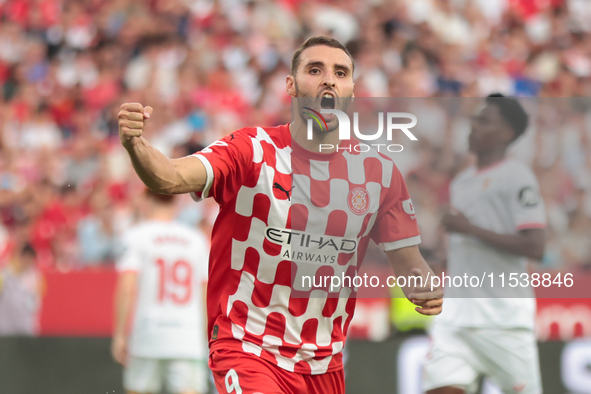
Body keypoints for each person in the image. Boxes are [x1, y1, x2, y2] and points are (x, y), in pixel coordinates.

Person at [118, 36, 443, 394]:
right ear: (291, 84)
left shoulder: (379, 173)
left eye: (340, 72)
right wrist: (137, 144)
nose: (328, 80)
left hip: (324, 363)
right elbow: (170, 177)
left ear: (351, 90)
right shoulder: (251, 149)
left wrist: (424, 286)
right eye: (314, 69)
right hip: (247, 346)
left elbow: (409, 263)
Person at [423, 94, 546, 394]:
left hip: (502, 321)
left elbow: (535, 246)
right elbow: (467, 247)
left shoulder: (518, 177)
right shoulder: (461, 182)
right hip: (456, 318)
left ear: (505, 133)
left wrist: (469, 229)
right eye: (475, 118)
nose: (472, 126)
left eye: (483, 120)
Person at [111, 189, 209, 394]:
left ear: (146, 198)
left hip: (148, 332)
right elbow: (205, 293)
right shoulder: (196, 240)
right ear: (176, 200)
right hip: (187, 336)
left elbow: (127, 286)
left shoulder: (136, 236)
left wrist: (120, 333)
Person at [0, 243, 43, 336]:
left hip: (25, 326)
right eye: (25, 257)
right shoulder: (4, 275)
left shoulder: (36, 277)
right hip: (5, 326)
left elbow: (37, 300)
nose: (27, 261)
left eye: (30, 259)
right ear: (20, 257)